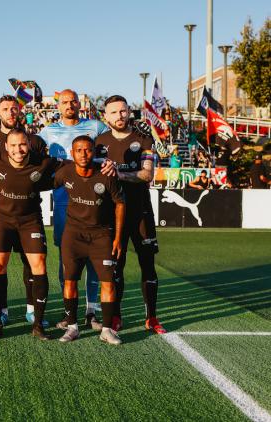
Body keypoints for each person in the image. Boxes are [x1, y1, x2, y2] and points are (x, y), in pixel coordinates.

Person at [38, 89, 109, 331]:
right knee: (66, 257)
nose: (69, 105)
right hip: (63, 202)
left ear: (80, 103)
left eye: (73, 101)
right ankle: (69, 311)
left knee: (94, 257)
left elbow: (111, 151)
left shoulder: (96, 128)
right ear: (57, 106)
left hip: (94, 200)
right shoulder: (47, 132)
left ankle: (92, 310)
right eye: (64, 102)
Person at [96, 95, 166, 335]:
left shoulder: (143, 138)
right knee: (116, 266)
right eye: (114, 112)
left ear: (129, 112)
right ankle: (115, 317)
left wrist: (119, 174)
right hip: (113, 215)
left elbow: (148, 175)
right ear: (105, 116)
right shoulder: (99, 142)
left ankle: (152, 318)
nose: (119, 116)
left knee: (148, 265)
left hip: (141, 212)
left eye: (123, 111)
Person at [0, 95, 49, 326]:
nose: (10, 112)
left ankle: (31, 309)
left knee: (31, 262)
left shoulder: (34, 141)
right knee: (0, 262)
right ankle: (3, 310)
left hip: (28, 212)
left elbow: (46, 169)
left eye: (14, 109)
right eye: (5, 109)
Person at [0, 128, 60, 340]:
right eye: (14, 145)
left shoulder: (42, 162)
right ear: (6, 147)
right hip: (2, 221)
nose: (19, 149)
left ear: (29, 144)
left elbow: (71, 168)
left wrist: (105, 164)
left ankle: (38, 324)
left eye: (23, 144)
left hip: (30, 221)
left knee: (39, 266)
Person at [54, 135, 125, 344]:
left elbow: (120, 204)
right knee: (70, 281)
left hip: (101, 235)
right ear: (72, 153)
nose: (83, 154)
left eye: (87, 150)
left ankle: (107, 329)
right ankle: (73, 326)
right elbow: (42, 182)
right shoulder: (64, 173)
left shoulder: (106, 174)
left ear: (93, 152)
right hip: (73, 235)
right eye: (79, 150)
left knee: (108, 283)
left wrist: (118, 238)